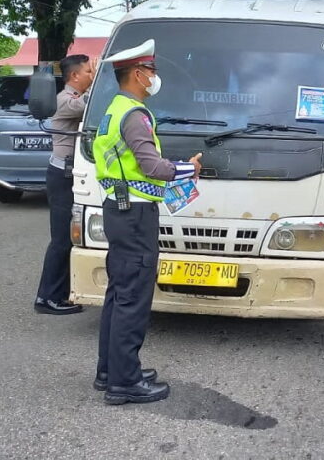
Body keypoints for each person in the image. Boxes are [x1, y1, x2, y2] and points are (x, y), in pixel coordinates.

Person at [93, 39, 202, 404]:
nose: (155, 77)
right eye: (152, 71)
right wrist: (190, 168)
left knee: (118, 294)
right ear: (138, 74)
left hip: (118, 209)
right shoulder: (135, 115)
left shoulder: (114, 108)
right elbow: (152, 166)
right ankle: (125, 383)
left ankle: (110, 370)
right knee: (133, 298)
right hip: (135, 215)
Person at [34, 54, 95, 316]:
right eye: (89, 72)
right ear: (74, 76)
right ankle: (46, 297)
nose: (92, 76)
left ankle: (62, 293)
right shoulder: (65, 100)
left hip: (71, 174)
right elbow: (90, 102)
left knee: (70, 237)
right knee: (61, 239)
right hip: (62, 176)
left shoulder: (71, 98)